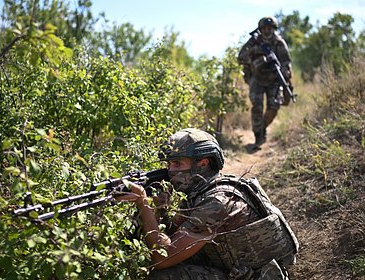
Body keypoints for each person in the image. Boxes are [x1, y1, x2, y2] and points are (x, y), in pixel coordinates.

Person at [116, 128, 298, 279]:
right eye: (169, 164)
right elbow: (173, 234)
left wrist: (143, 203)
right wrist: (158, 208)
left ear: (202, 163)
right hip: (232, 268)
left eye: (177, 164)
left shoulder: (217, 202)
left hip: (253, 276)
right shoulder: (201, 191)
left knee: (161, 276)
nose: (170, 171)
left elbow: (162, 257)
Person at [238, 16, 293, 147]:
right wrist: (259, 57)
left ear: (274, 29)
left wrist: (286, 76)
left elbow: (286, 62)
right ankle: (258, 136)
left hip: (274, 79)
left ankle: (261, 128)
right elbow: (240, 58)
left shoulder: (279, 42)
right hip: (256, 78)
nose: (267, 31)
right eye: (265, 28)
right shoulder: (253, 41)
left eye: (270, 28)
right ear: (261, 29)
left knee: (274, 106)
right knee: (257, 106)